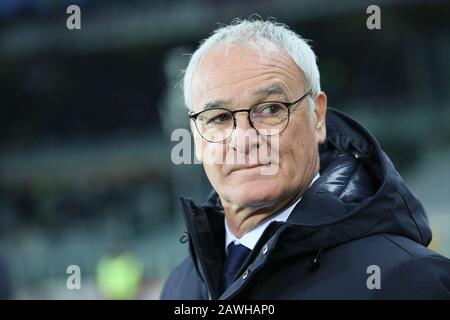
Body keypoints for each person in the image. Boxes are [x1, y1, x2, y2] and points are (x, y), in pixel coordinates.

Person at [160, 18, 450, 299]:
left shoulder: (408, 281)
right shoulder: (178, 288)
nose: (244, 139)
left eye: (271, 109)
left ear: (318, 117)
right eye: (219, 118)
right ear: (196, 137)